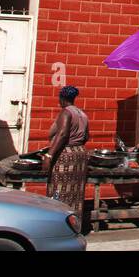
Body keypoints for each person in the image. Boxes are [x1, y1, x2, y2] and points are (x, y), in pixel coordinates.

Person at [44, 86, 90, 214]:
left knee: (59, 191)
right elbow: (86, 136)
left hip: (66, 156)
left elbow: (62, 134)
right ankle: (74, 222)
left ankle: (58, 224)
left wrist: (49, 155)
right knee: (76, 192)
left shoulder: (66, 112)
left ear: (62, 99)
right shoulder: (82, 114)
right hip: (80, 155)